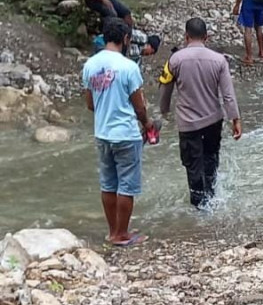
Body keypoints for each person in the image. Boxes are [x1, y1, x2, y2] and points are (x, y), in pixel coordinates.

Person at [82, 17, 153, 247]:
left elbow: (90, 104)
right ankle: (122, 234)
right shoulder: (129, 67)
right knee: (127, 185)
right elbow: (139, 106)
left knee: (108, 184)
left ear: (104, 37)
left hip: (102, 133)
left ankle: (112, 231)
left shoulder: (90, 65)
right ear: (125, 39)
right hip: (126, 133)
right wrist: (147, 124)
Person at [159, 17, 242, 208]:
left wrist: (164, 112)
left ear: (186, 36)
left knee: (193, 165)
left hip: (188, 123)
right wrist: (235, 119)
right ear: (206, 37)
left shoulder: (174, 59)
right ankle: (211, 198)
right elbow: (228, 94)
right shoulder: (219, 60)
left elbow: (165, 89)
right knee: (211, 159)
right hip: (213, 120)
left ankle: (198, 207)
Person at [93, 26, 161, 66]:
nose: (148, 54)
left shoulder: (138, 56)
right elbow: (127, 32)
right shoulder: (142, 38)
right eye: (151, 52)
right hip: (103, 44)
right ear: (149, 45)